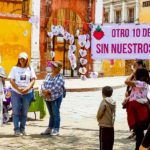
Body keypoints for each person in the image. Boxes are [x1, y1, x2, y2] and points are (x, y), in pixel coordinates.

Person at [8, 52, 36, 136]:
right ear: (18, 59)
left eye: (24, 58)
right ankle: (16, 129)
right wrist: (18, 88)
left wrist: (27, 88)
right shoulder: (14, 69)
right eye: (21, 58)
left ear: (27, 59)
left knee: (24, 112)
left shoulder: (30, 68)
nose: (22, 60)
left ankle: (22, 128)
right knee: (15, 112)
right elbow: (11, 80)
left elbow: (33, 80)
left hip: (27, 93)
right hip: (16, 93)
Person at [125, 68, 150, 150]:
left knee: (139, 133)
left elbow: (126, 81)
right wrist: (128, 98)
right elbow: (135, 94)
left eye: (136, 74)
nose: (134, 75)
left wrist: (132, 74)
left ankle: (140, 148)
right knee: (139, 133)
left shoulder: (141, 83)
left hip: (138, 111)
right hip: (139, 109)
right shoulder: (142, 83)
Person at [40, 61, 64, 136]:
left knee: (56, 114)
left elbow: (56, 87)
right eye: (52, 65)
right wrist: (44, 91)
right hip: (47, 97)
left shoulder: (60, 77)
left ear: (59, 69)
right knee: (51, 114)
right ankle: (50, 128)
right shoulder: (48, 75)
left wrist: (48, 92)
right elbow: (43, 84)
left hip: (55, 97)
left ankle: (56, 129)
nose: (52, 67)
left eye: (54, 66)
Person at [97, 86, 116, 150]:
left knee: (103, 145)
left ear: (103, 94)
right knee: (110, 144)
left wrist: (98, 118)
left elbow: (100, 112)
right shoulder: (113, 101)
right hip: (111, 126)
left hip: (103, 126)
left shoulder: (104, 101)